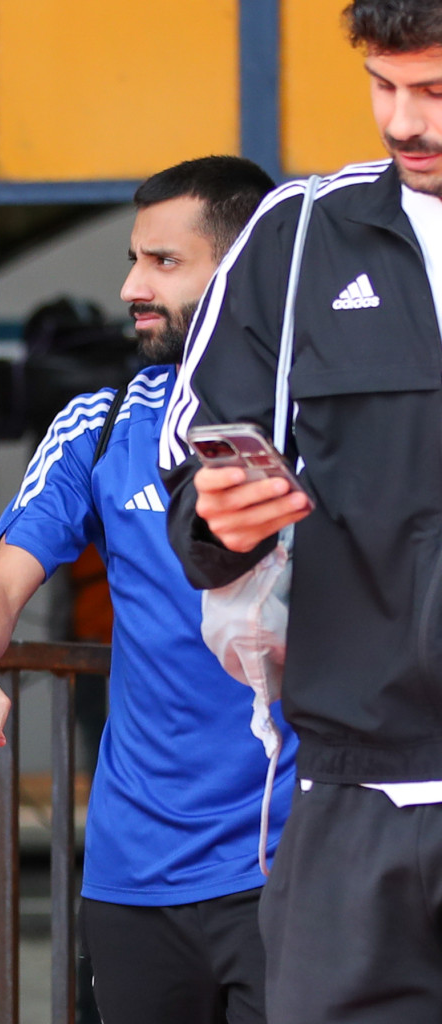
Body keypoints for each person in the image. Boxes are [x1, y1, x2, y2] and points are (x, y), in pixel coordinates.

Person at [0, 156, 290, 1024]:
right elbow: (0, 584)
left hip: (296, 865)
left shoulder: (324, 415)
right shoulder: (98, 425)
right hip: (135, 877)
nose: (133, 284)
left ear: (243, 271)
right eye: (134, 258)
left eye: (165, 263)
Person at [161, 5, 442, 1020]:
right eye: (383, 85)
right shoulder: (299, 235)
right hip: (349, 801)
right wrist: (218, 516)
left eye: (435, 92)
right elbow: (191, 466)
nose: (403, 122)